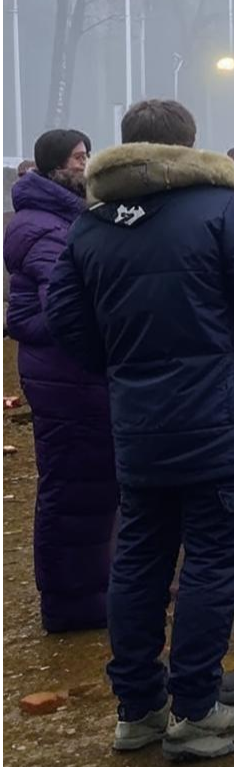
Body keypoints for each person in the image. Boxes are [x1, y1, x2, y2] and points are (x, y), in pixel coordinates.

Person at [45, 100, 234, 761]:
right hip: (222, 419)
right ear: (190, 145)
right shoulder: (222, 209)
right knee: (215, 562)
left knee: (139, 558)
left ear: (125, 147)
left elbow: (62, 316)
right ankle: (196, 708)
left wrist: (121, 363)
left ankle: (139, 708)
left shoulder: (91, 223)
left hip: (140, 424)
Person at [3, 130, 117, 634]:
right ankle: (74, 605)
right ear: (53, 167)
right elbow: (67, 309)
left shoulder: (56, 218)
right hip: (65, 373)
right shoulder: (47, 228)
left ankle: (87, 593)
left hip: (65, 371)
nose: (86, 165)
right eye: (78, 157)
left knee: (84, 486)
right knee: (76, 488)